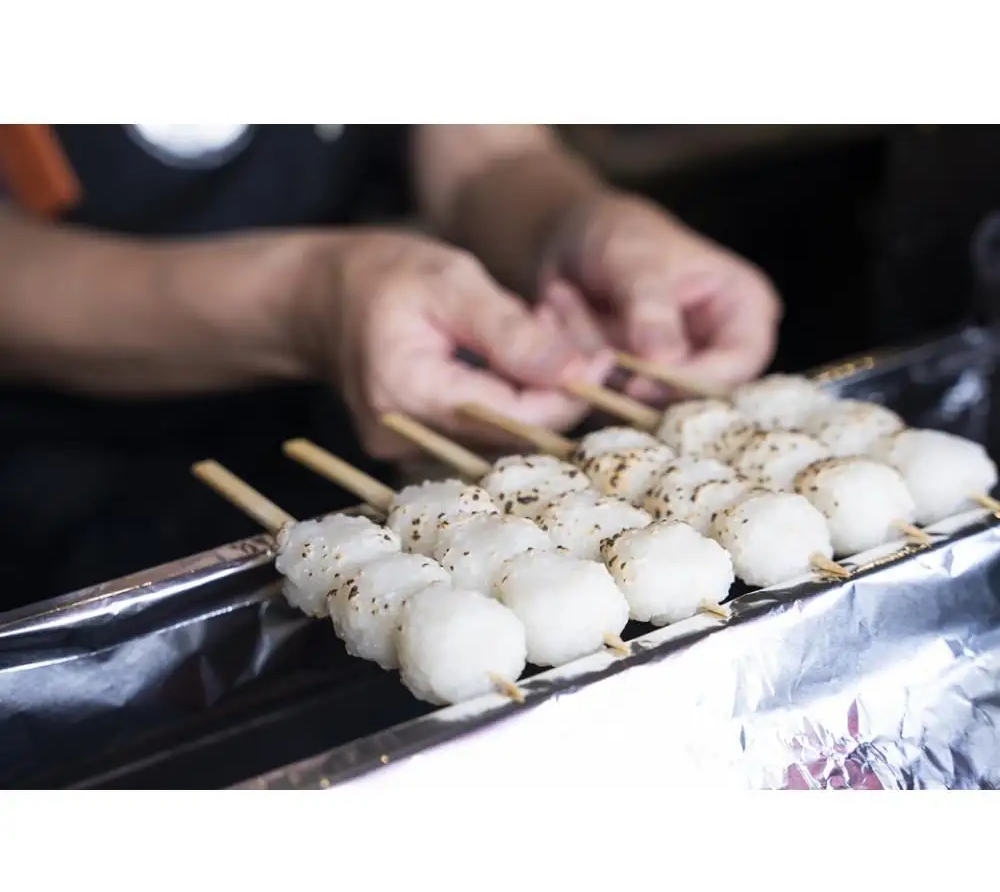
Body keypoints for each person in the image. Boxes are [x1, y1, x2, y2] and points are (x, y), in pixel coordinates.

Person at [0, 124, 781, 610]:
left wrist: (570, 220)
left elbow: (482, 146)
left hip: (347, 449)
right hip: (46, 494)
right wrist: (304, 300)